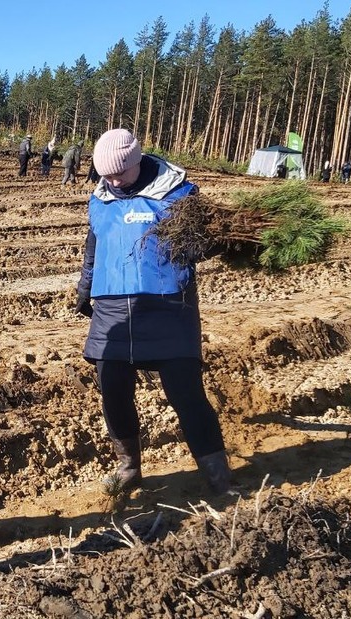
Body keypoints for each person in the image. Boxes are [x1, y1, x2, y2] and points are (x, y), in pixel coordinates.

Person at [74, 128, 231, 497]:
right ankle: (129, 468)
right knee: (112, 392)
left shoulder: (179, 194)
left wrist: (212, 240)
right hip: (112, 307)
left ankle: (219, 478)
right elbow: (94, 247)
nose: (112, 180)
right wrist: (84, 288)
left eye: (119, 173)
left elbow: (201, 245)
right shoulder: (99, 199)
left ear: (137, 161)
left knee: (186, 395)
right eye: (105, 173)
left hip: (167, 305)